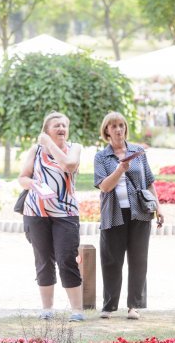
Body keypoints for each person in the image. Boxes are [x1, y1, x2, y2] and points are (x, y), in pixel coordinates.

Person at [94, 112, 164, 320]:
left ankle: (134, 305)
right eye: (113, 126)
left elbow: (149, 181)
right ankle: (109, 305)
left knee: (138, 259)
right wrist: (119, 170)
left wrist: (158, 207)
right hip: (113, 213)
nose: (118, 129)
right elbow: (105, 186)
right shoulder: (101, 157)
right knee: (111, 260)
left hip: (139, 213)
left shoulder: (138, 152)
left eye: (121, 125)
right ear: (106, 130)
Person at [18, 112, 85, 321]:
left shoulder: (74, 148)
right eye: (56, 125)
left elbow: (68, 165)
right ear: (46, 129)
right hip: (36, 213)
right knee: (43, 260)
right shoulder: (35, 151)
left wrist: (48, 142)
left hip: (65, 214)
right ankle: (47, 308)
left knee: (67, 258)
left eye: (64, 125)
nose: (62, 129)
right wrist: (32, 184)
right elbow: (22, 177)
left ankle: (77, 310)